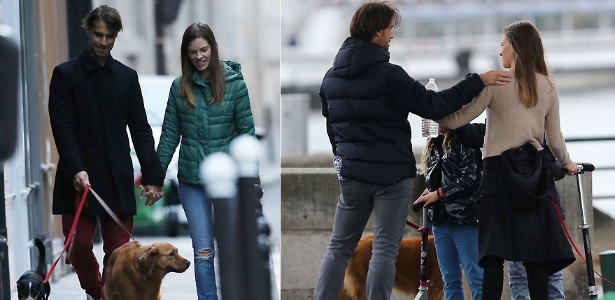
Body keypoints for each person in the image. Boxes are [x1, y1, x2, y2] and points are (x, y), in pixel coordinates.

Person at [312, 2, 512, 299]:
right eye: (390, 28)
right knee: (384, 248)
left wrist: (344, 161)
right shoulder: (389, 74)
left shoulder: (331, 77)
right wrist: (477, 80)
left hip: (352, 176)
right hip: (391, 176)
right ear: (377, 31)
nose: (392, 35)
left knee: (339, 247)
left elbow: (332, 129)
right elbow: (434, 106)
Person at [437, 21, 577, 300]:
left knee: (492, 257)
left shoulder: (497, 82)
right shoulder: (547, 86)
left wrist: (438, 120)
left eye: (503, 44)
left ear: (516, 46)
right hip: (533, 179)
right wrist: (568, 163)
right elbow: (555, 140)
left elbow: (460, 118)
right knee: (534, 258)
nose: (500, 51)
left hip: (497, 177)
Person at [48, 5, 164, 300]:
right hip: (78, 176)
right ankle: (97, 292)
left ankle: (111, 295)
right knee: (78, 244)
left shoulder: (126, 78)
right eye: (98, 34)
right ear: (88, 30)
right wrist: (75, 168)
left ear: (116, 37)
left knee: (119, 253)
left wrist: (152, 176)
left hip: (116, 176)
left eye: (109, 36)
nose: (103, 42)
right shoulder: (65, 75)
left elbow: (140, 129)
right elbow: (61, 126)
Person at [156, 22, 256, 300]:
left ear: (212, 48)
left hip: (229, 182)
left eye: (203, 50)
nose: (199, 56)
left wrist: (253, 182)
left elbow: (246, 135)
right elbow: (168, 138)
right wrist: (155, 178)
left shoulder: (235, 85)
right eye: (192, 52)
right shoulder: (179, 88)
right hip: (191, 182)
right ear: (185, 55)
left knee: (231, 250)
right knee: (203, 253)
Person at [414, 123, 484, 300]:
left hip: (465, 220)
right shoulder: (433, 145)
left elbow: (471, 179)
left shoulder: (465, 140)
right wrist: (430, 192)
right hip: (440, 221)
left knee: (476, 278)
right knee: (449, 280)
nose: (434, 122)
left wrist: (439, 193)